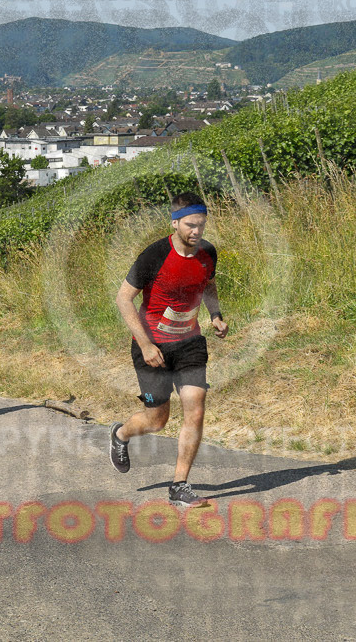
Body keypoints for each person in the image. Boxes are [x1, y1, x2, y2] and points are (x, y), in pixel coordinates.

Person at [110, 192, 229, 508]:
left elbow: (209, 284)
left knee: (196, 407)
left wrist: (215, 314)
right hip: (152, 349)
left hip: (190, 343)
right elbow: (124, 298)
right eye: (190, 225)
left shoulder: (208, 253)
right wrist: (146, 344)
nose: (197, 232)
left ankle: (179, 485)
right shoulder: (154, 255)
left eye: (201, 225)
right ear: (175, 223)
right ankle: (121, 434)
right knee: (157, 419)